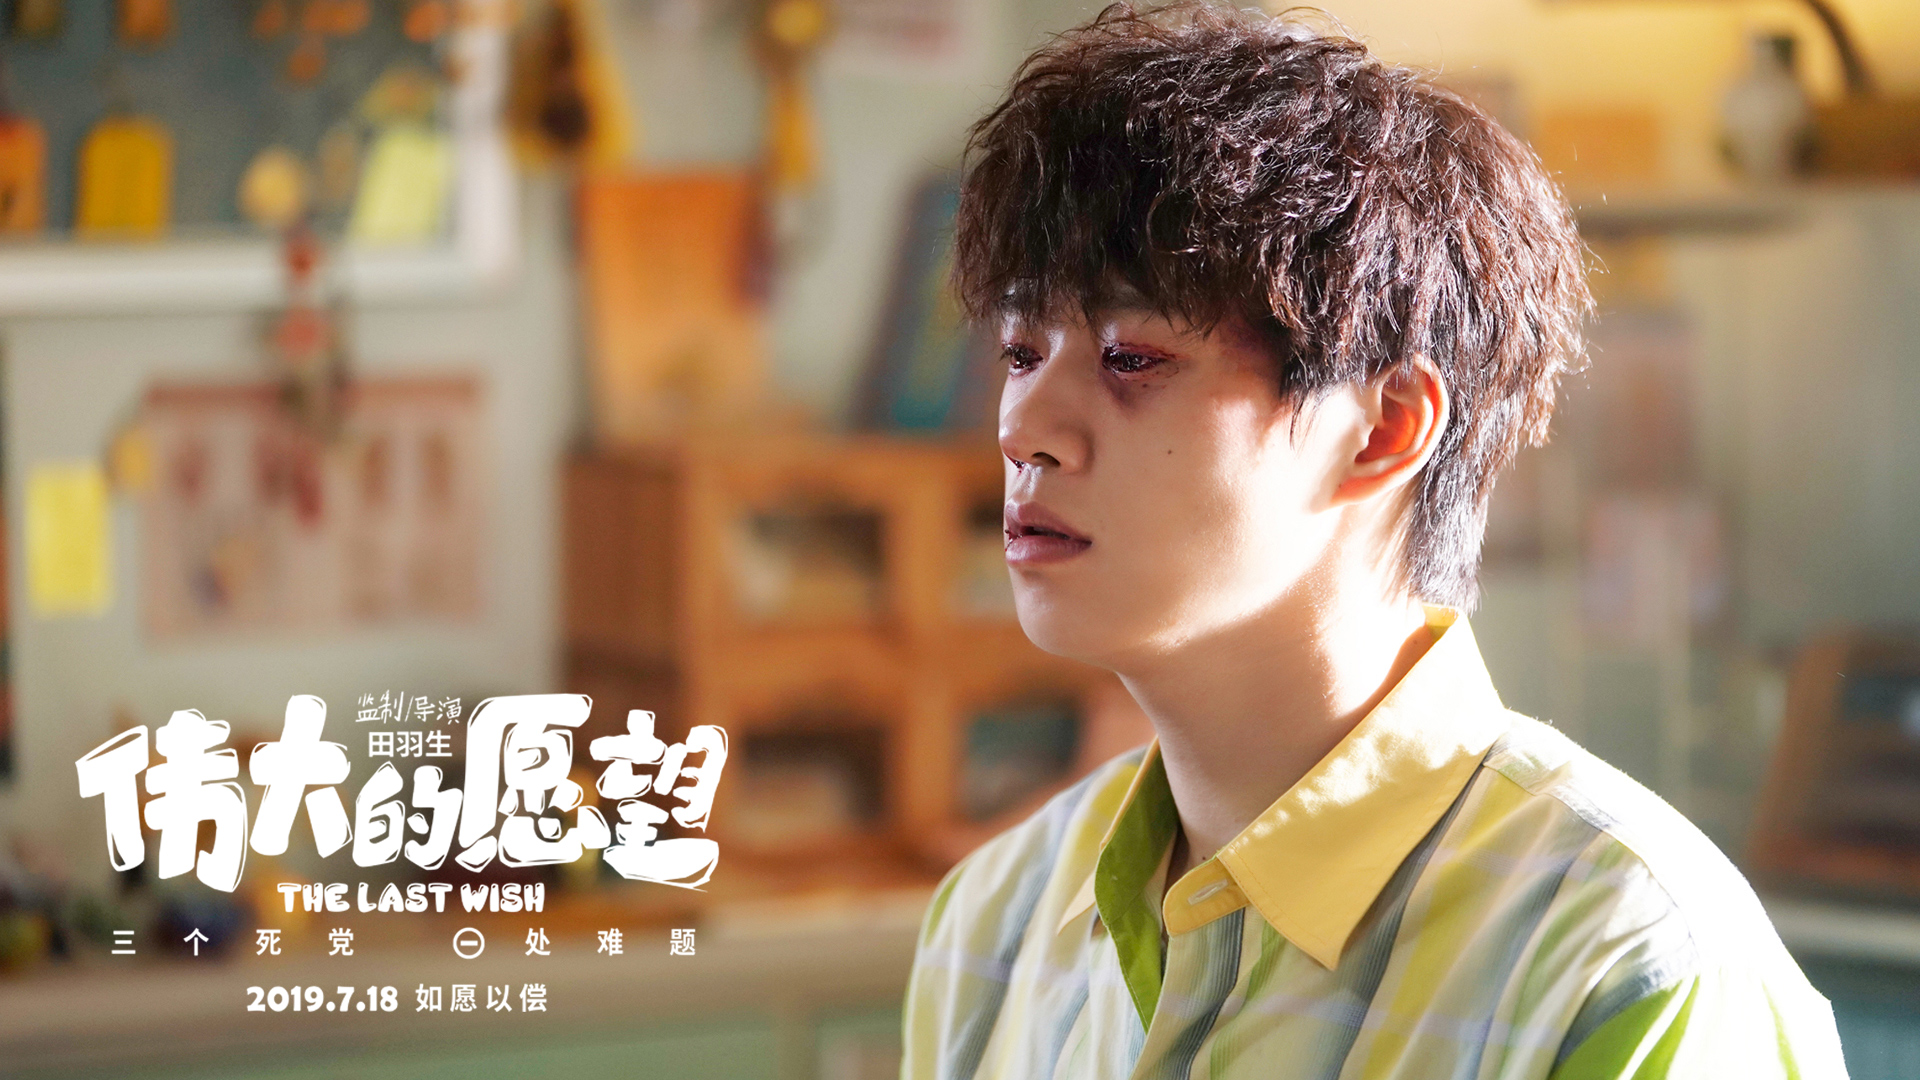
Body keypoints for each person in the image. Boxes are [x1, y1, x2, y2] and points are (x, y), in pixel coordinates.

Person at [897, 3, 1848, 1078]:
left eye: (1131, 358)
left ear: (1384, 429)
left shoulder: (1620, 961)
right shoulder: (997, 923)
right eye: (1021, 352)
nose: (1024, 426)